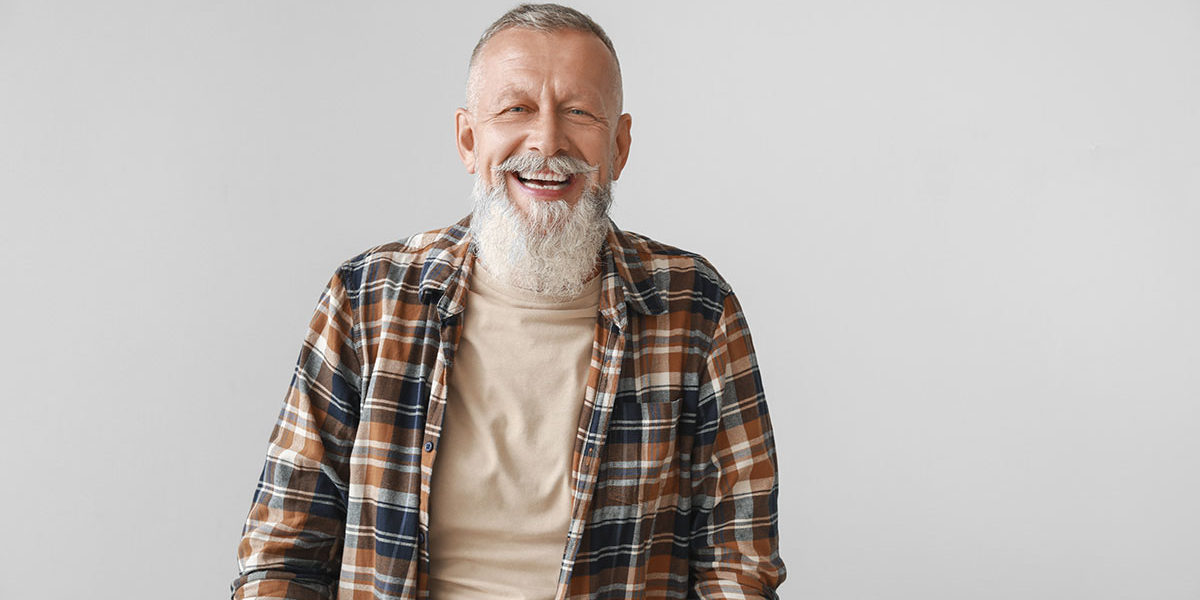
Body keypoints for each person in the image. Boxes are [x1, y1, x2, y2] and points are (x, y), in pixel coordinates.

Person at [231, 4, 785, 599]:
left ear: (619, 146)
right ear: (470, 140)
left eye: (578, 112)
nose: (547, 139)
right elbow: (280, 558)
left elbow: (738, 569)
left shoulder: (696, 309)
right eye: (516, 109)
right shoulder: (368, 302)